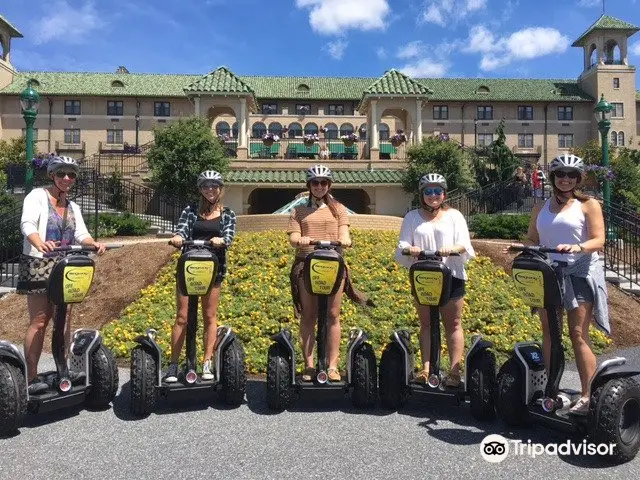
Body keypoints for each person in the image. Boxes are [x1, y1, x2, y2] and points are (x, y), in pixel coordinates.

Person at [509, 153, 608, 415]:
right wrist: (521, 248)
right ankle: (551, 389)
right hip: (548, 273)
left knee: (578, 334)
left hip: (579, 271)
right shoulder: (540, 207)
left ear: (578, 179)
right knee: (550, 333)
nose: (566, 179)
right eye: (561, 174)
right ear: (553, 177)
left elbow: (598, 240)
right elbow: (532, 238)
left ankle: (588, 394)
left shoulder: (588, 205)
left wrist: (577, 246)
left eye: (571, 175)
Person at [18, 155, 106, 394]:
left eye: (71, 175)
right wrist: (40, 242)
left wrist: (94, 244)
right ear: (52, 176)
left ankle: (63, 370)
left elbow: (82, 235)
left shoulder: (73, 206)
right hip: (39, 263)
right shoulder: (37, 196)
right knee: (39, 320)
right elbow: (27, 224)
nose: (67, 178)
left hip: (65, 266)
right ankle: (31, 376)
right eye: (61, 174)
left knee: (64, 319)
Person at [287, 164, 372, 382]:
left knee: (333, 315)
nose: (319, 186)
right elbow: (294, 237)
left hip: (332, 265)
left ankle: (332, 366)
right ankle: (309, 365)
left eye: (323, 182)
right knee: (308, 315)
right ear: (309, 185)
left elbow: (344, 232)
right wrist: (300, 239)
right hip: (307, 264)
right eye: (315, 183)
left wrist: (345, 239)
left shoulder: (339, 209)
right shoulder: (298, 211)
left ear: (329, 185)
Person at [395, 173, 475, 387]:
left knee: (454, 323)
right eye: (428, 191)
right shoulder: (412, 217)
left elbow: (464, 244)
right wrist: (409, 248)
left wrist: (452, 249)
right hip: (424, 277)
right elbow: (402, 244)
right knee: (427, 324)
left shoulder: (454, 216)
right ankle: (427, 368)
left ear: (444, 194)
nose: (433, 195)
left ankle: (455, 372)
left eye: (437, 191)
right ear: (422, 195)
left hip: (451, 275)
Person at [166, 170, 236, 382]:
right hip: (189, 268)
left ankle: (206, 363)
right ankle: (174, 364)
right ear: (200, 189)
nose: (210, 189)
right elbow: (182, 229)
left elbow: (229, 236)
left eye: (214, 186)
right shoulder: (190, 210)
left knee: (209, 317)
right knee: (182, 317)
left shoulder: (227, 214)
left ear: (220, 189)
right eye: (206, 186)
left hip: (213, 270)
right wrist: (178, 237)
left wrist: (221, 240)